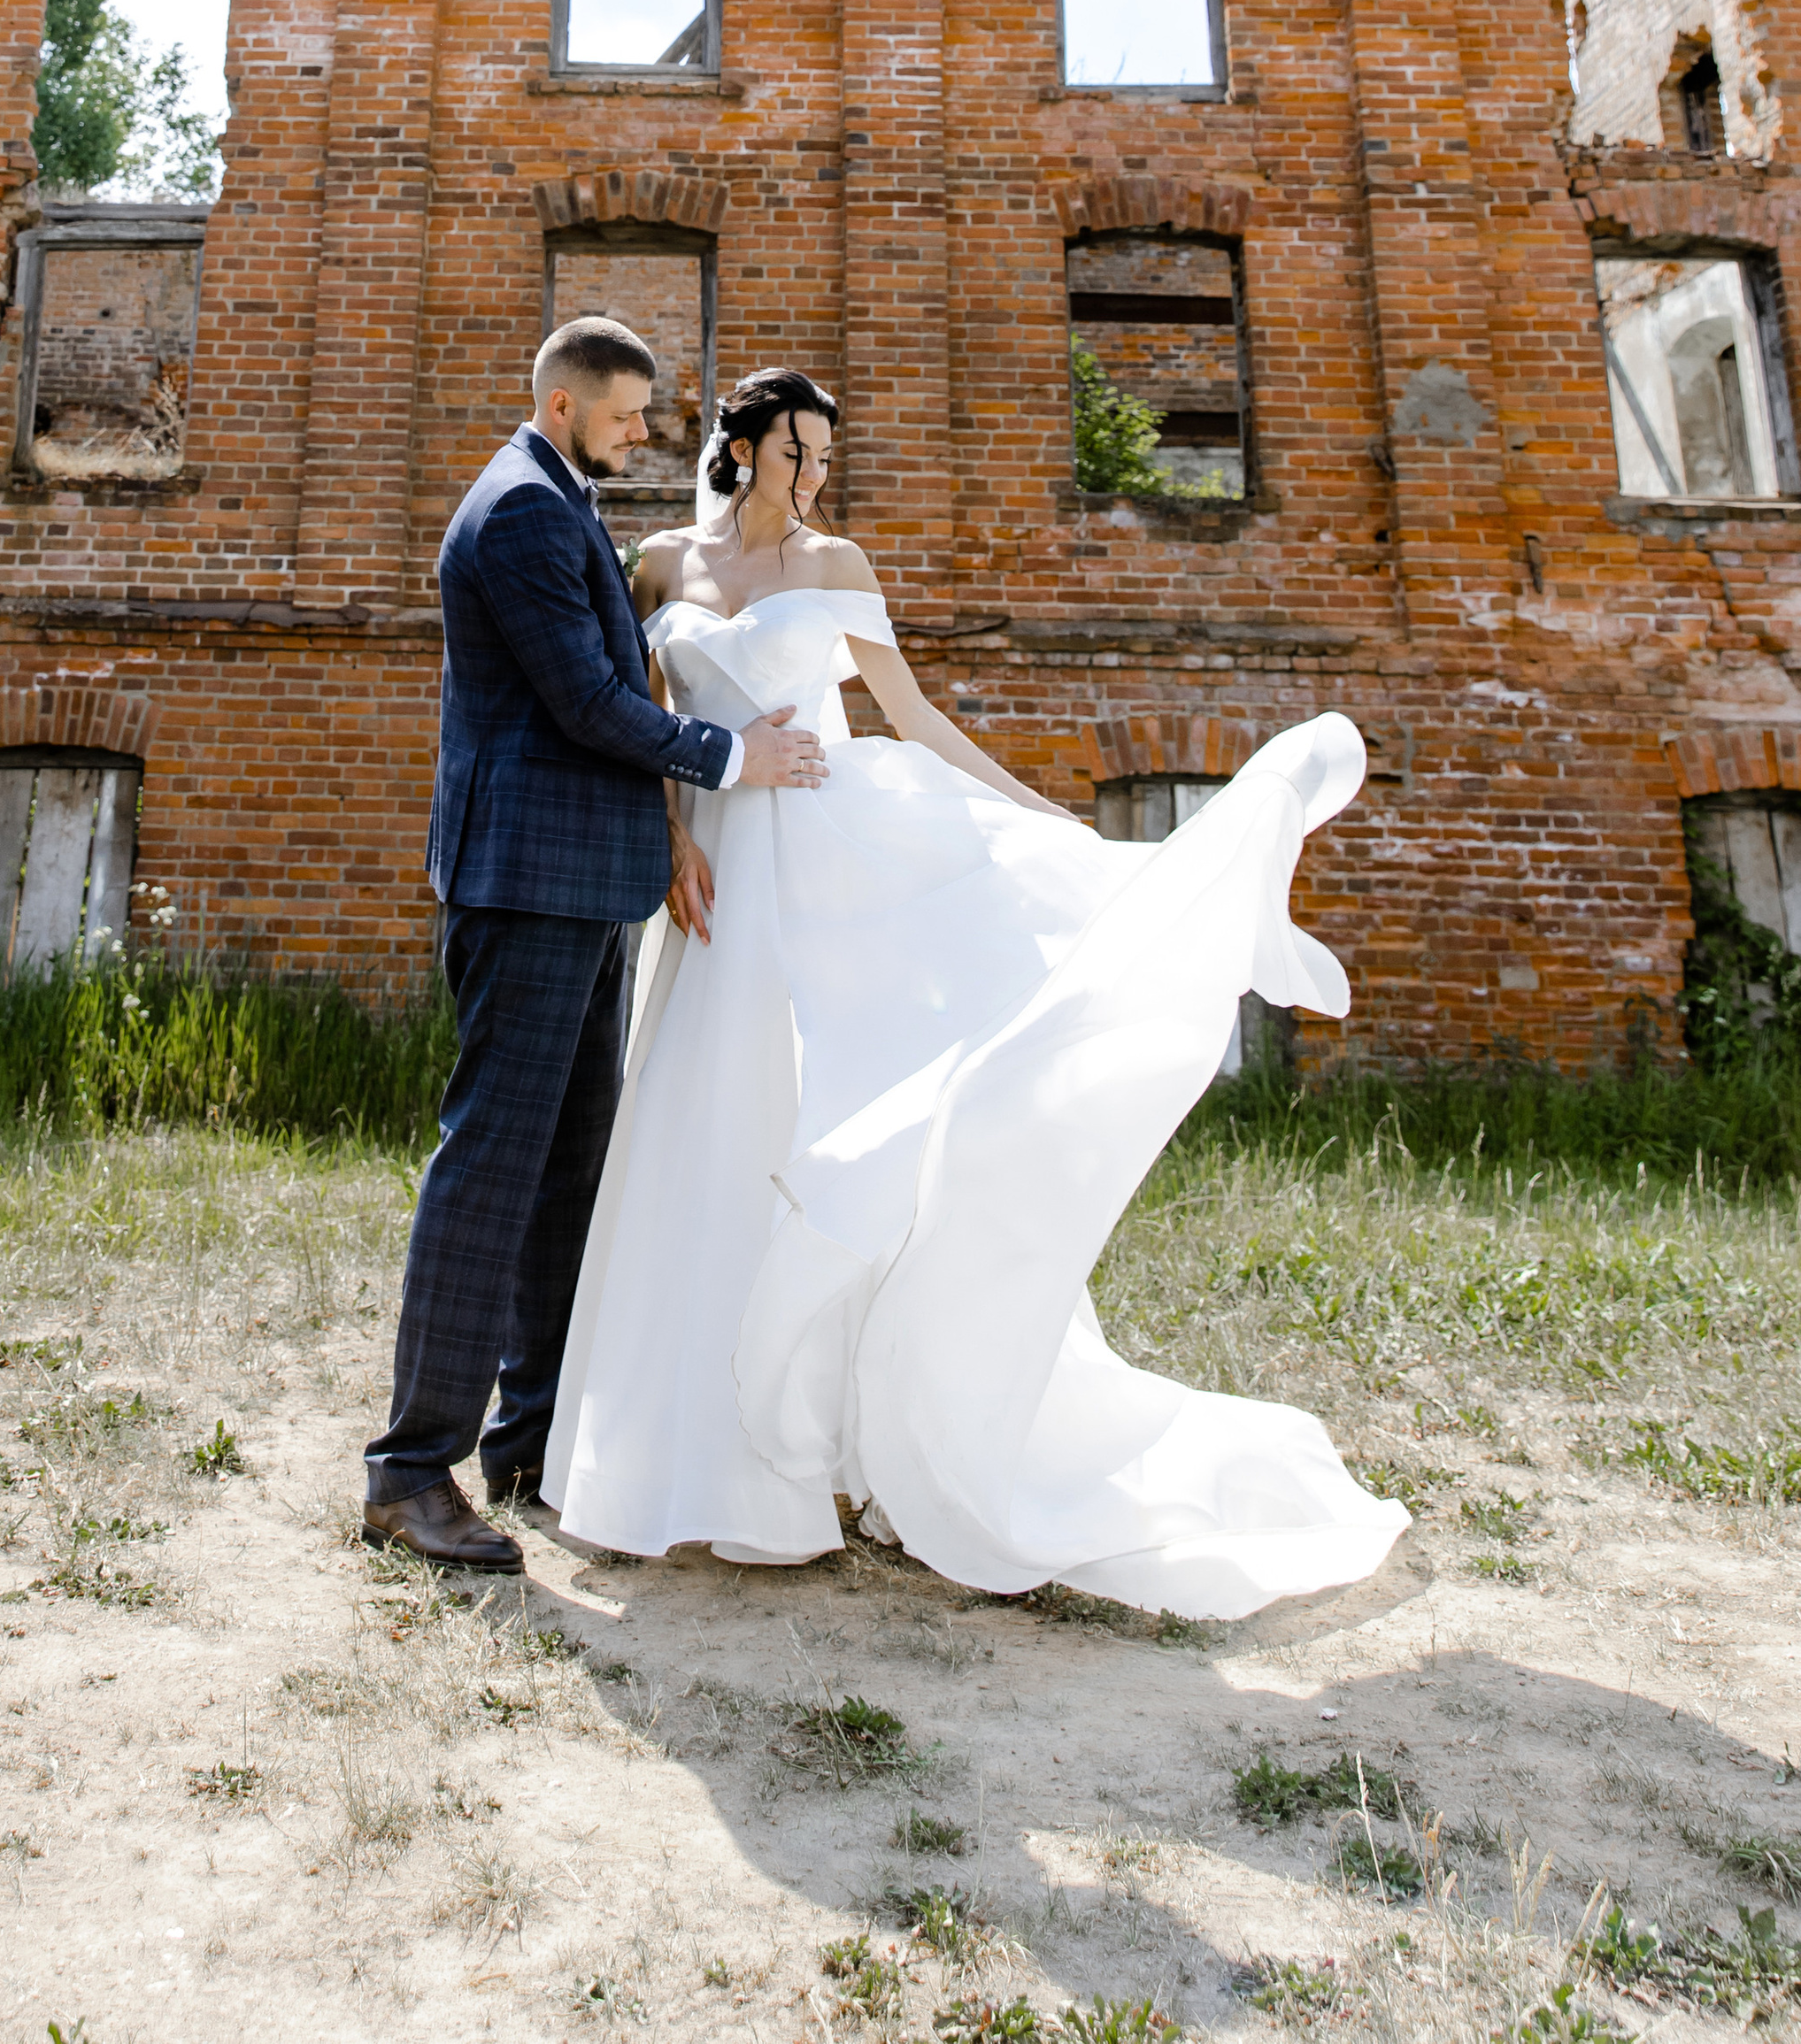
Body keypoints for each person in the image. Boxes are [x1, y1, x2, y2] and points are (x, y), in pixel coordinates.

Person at [539, 366, 1410, 1615]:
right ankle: (671, 1454)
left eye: (827, 456)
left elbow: (907, 711)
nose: (814, 475)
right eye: (797, 452)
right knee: (699, 1129)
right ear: (740, 446)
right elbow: (647, 712)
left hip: (831, 862)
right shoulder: (660, 564)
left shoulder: (839, 569)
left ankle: (818, 1450)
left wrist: (1036, 810)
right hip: (718, 877)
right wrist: (677, 835)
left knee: (829, 1135)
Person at [361, 316, 830, 1572]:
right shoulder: (519, 508)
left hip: (580, 884)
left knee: (569, 1169)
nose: (644, 434)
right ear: (566, 405)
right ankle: (412, 1471)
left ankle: (531, 1433)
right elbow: (587, 701)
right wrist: (737, 758)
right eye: (626, 415)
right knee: (493, 1166)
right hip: (526, 886)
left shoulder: (560, 500)